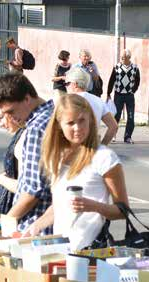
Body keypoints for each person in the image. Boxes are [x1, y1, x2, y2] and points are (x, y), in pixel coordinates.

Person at [24, 94, 129, 251]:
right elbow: (60, 205)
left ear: (91, 121)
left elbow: (123, 210)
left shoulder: (104, 157)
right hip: (61, 249)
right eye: (71, 123)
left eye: (82, 121)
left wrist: (92, 206)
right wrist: (36, 226)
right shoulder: (56, 157)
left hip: (91, 251)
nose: (78, 128)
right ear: (59, 125)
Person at [0, 73, 54, 234]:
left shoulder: (36, 128)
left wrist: (6, 221)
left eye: (11, 111)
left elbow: (33, 191)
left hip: (36, 227)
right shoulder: (54, 114)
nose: (11, 118)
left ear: (27, 99)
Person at [0, 105, 25, 217]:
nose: (0, 124)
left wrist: (1, 179)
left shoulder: (25, 138)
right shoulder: (20, 134)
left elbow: (25, 189)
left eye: (1, 117)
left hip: (18, 211)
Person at [66, 67, 118, 145]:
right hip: (93, 146)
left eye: (67, 83)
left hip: (72, 148)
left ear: (75, 84)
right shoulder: (98, 100)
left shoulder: (67, 101)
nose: (66, 86)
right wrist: (103, 146)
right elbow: (113, 126)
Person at [107, 49, 141, 144]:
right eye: (121, 57)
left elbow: (137, 81)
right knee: (116, 115)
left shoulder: (135, 68)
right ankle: (113, 134)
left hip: (129, 96)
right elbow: (112, 80)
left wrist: (133, 91)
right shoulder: (117, 67)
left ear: (129, 57)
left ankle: (127, 137)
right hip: (118, 95)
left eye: (123, 57)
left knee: (131, 117)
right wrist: (108, 93)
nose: (121, 59)